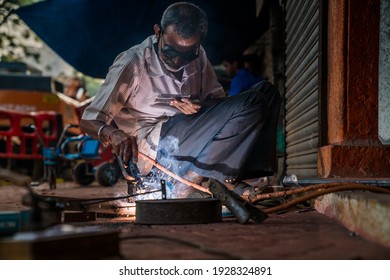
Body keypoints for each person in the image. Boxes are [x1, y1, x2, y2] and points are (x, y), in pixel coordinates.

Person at [80, 2, 281, 198]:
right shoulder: (133, 63)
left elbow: (219, 107)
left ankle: (221, 176)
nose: (177, 61)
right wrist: (114, 134)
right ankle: (191, 184)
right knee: (253, 101)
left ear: (199, 42)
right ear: (158, 32)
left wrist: (200, 107)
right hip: (153, 153)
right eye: (170, 51)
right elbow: (89, 120)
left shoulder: (199, 55)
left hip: (191, 141)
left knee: (266, 92)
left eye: (187, 55)